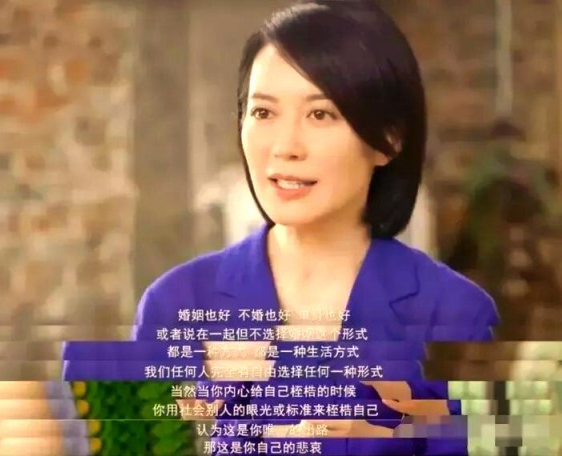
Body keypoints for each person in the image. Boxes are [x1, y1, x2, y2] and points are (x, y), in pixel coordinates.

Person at [132, 1, 499, 454]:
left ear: (388, 139)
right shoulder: (175, 304)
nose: (285, 147)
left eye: (320, 114)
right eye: (263, 113)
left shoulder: (456, 314)